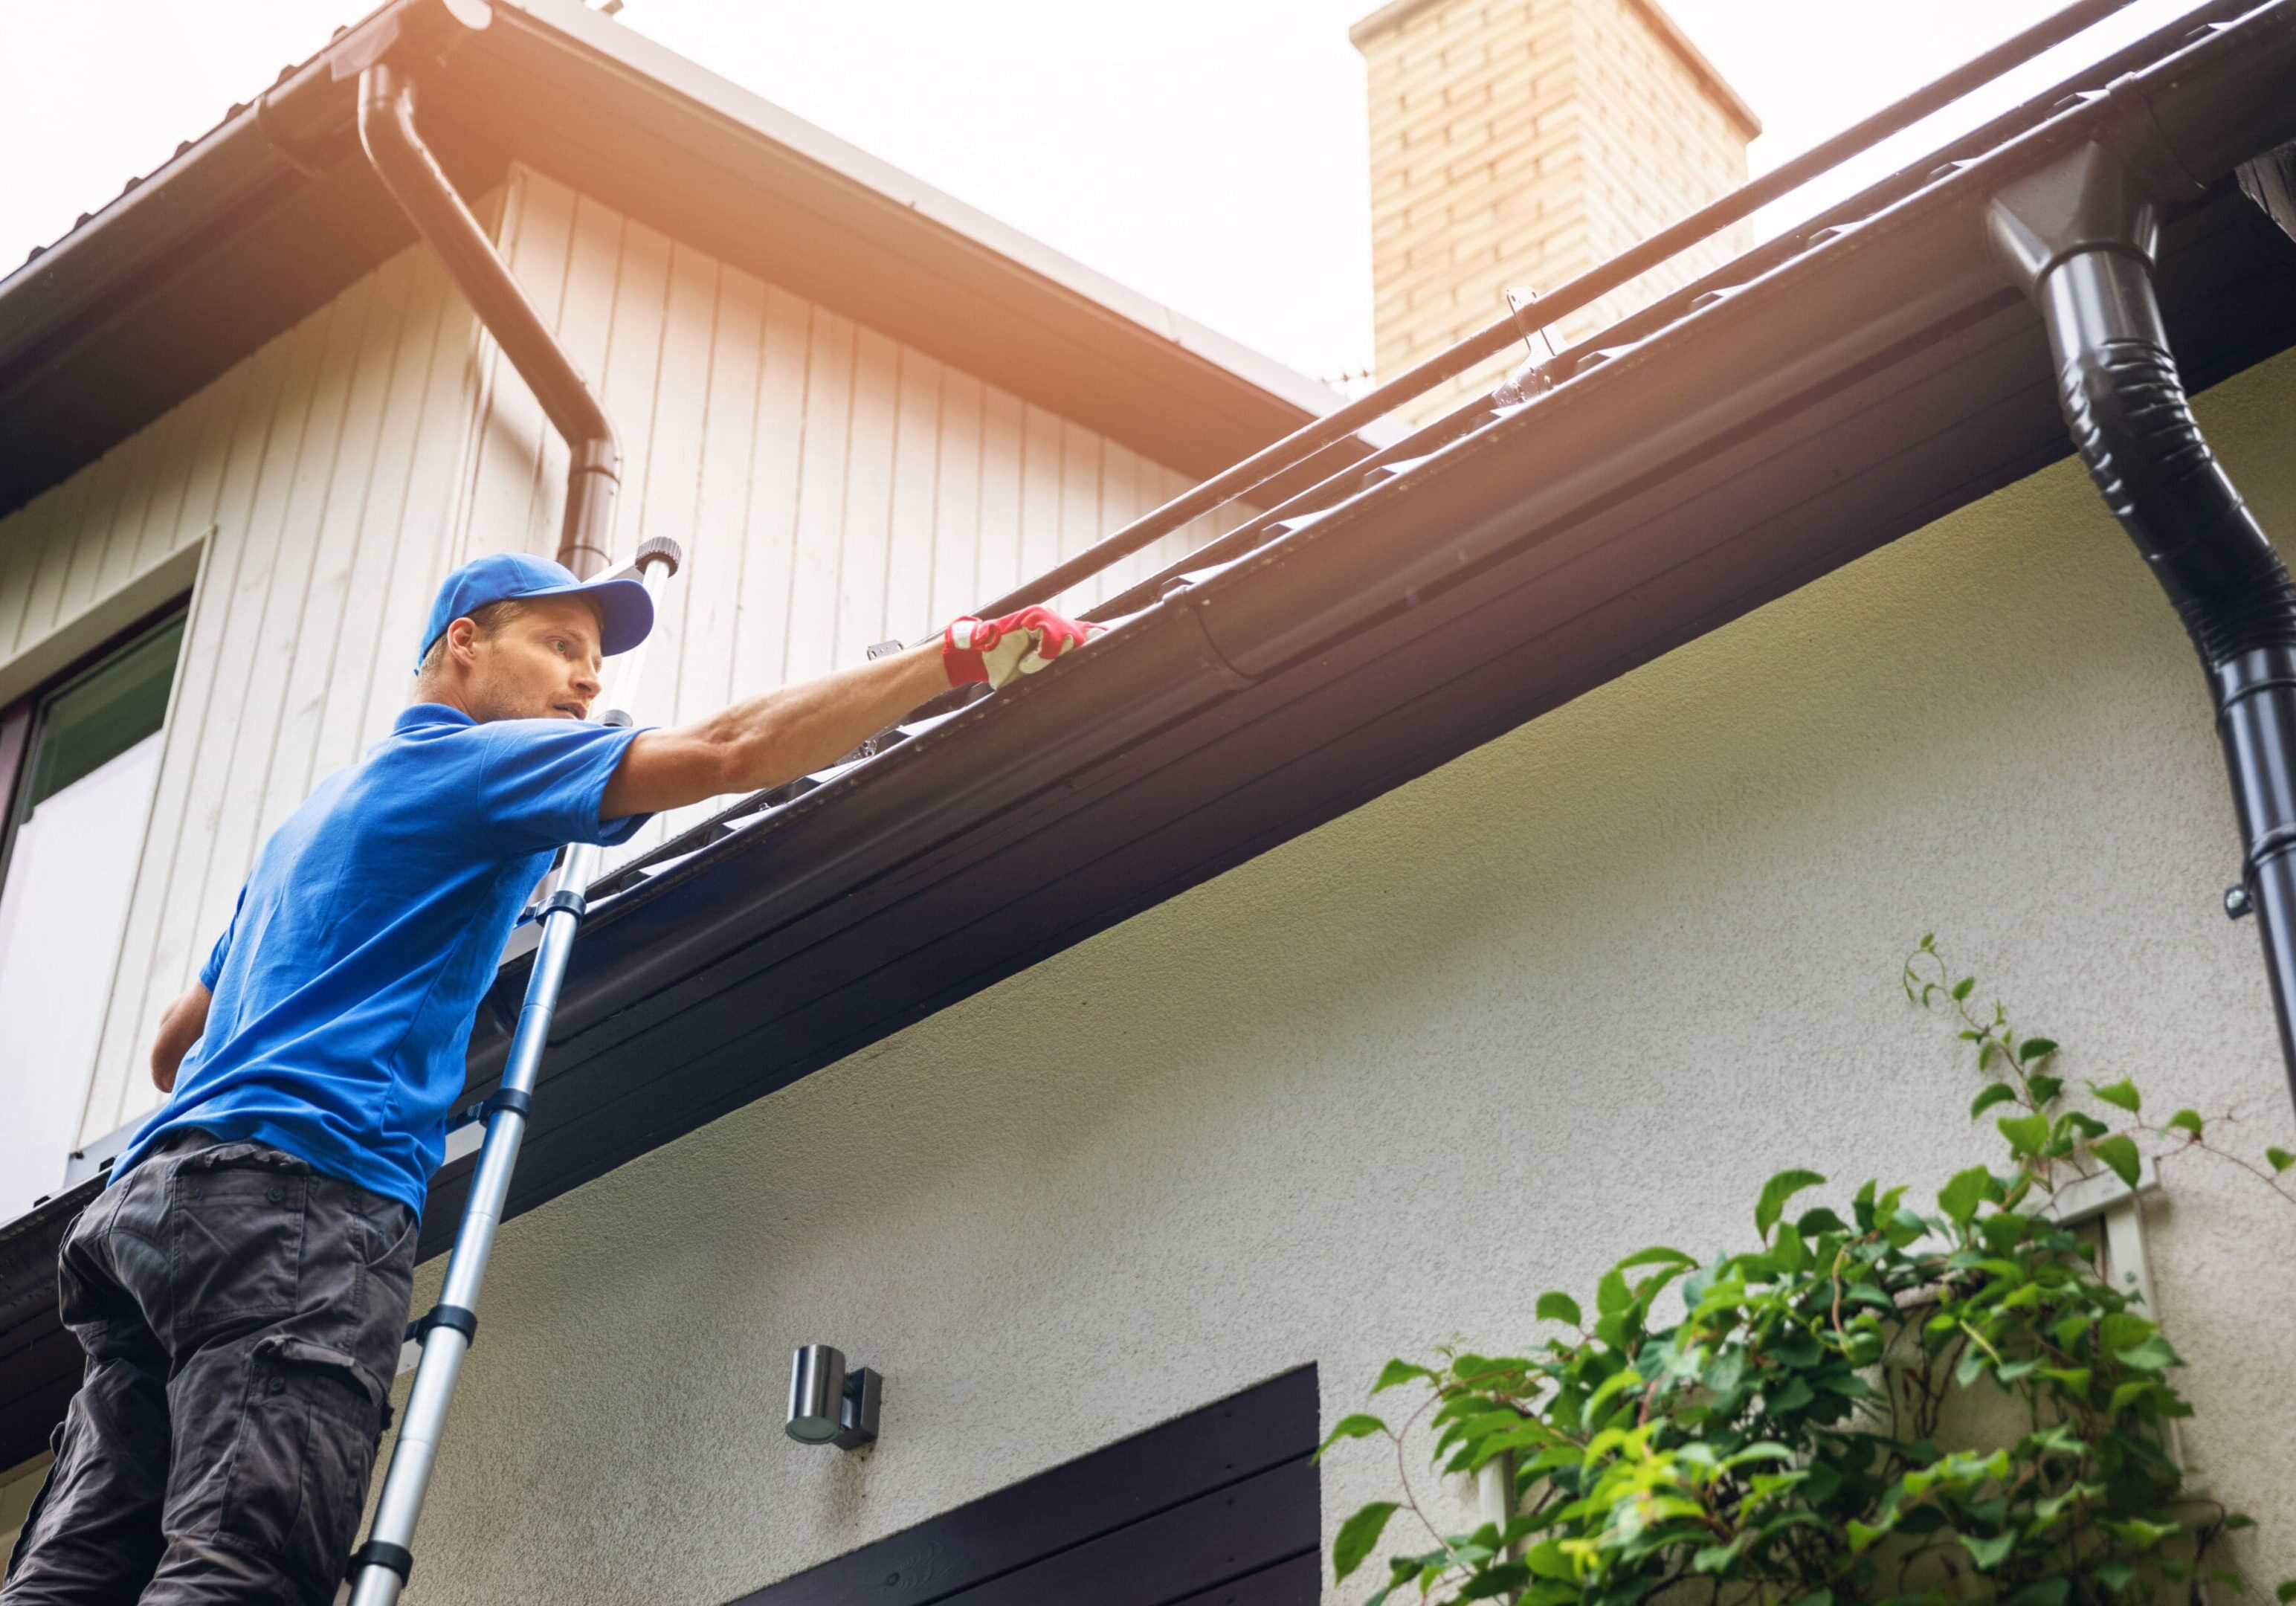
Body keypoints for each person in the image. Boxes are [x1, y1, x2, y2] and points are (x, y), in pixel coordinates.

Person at [1, 552, 1101, 1605]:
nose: (588, 678)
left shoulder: (311, 824)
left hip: (149, 1214)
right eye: (562, 644)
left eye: (600, 662)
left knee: (75, 1572)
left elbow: (171, 1047)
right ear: (464, 647)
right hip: (296, 1206)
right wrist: (956, 654)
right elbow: (728, 748)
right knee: (244, 1559)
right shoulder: (472, 765)